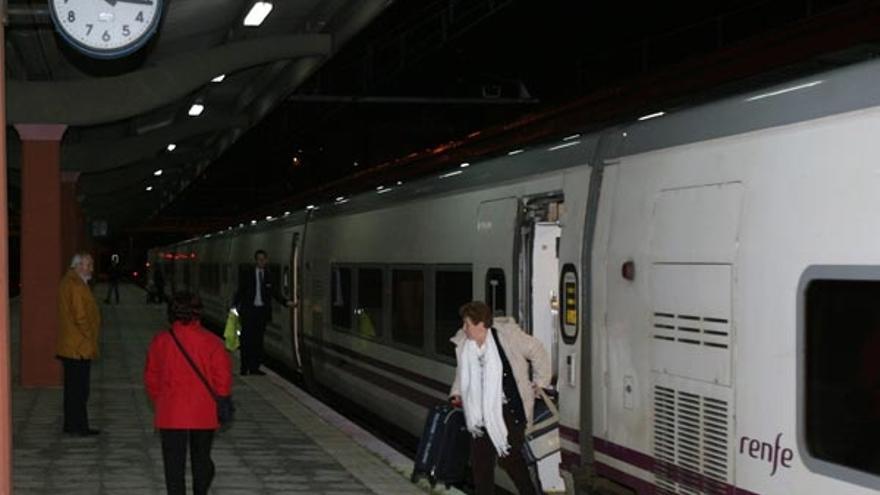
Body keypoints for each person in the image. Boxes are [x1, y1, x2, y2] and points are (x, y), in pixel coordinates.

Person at [449, 301, 551, 495]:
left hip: (510, 410)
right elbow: (462, 374)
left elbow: (537, 350)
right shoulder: (465, 344)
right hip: (480, 413)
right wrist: (456, 394)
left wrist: (541, 383)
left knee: (510, 459)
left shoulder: (508, 337)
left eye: (467, 324)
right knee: (480, 463)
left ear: (481, 325)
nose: (464, 329)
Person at [144, 292, 232, 495]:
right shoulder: (212, 342)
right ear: (198, 312)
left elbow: (151, 376)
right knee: (201, 459)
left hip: (171, 413)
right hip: (203, 412)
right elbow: (223, 378)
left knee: (173, 465)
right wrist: (221, 398)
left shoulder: (161, 341)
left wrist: (161, 400)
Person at [56, 252, 102, 436]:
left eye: (91, 264)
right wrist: (89, 336)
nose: (91, 268)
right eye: (88, 265)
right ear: (77, 266)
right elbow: (80, 316)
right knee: (80, 390)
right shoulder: (75, 285)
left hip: (72, 345)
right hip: (79, 346)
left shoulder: (70, 282)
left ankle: (72, 425)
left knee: (73, 389)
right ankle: (78, 427)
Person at [232, 249, 292, 376]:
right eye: (259, 259)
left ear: (266, 260)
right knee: (246, 341)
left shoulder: (269, 275)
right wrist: (234, 307)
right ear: (256, 260)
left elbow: (274, 292)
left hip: (261, 313)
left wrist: (286, 302)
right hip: (249, 312)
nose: (261, 261)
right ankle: (244, 368)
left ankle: (255, 368)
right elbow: (240, 291)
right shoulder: (248, 274)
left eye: (263, 259)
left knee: (258, 342)